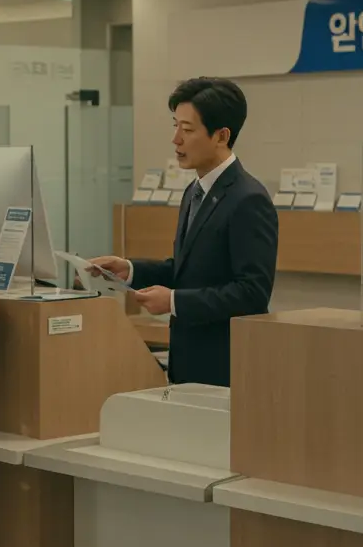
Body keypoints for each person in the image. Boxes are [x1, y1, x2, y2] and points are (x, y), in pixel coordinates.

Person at [92, 77, 278, 387]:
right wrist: (130, 270)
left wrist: (175, 302)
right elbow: (187, 270)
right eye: (175, 126)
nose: (176, 139)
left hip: (225, 366)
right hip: (188, 360)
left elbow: (252, 293)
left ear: (221, 136)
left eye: (188, 130)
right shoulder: (194, 191)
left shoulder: (248, 199)